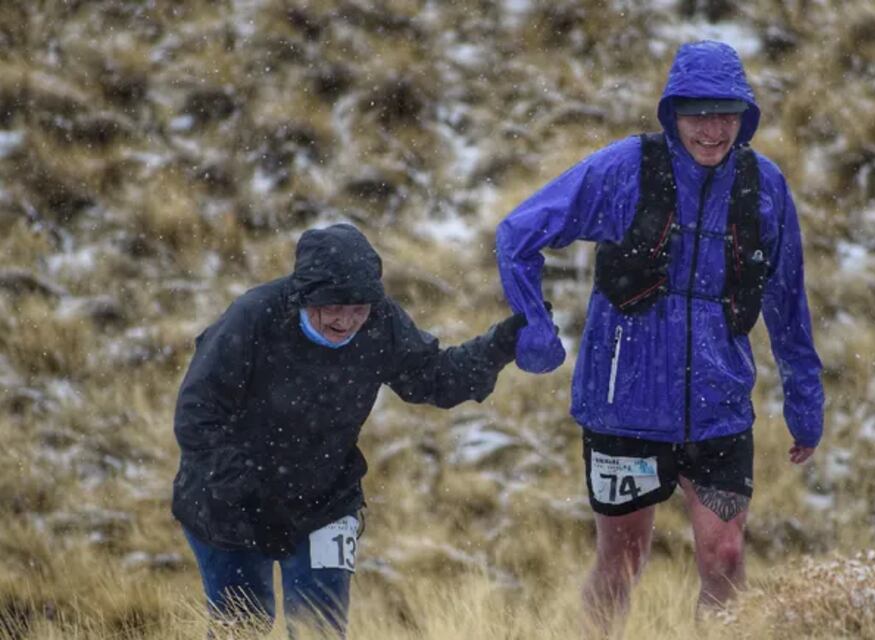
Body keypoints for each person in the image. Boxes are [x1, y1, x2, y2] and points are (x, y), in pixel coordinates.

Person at [495, 40, 824, 632]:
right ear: (672, 113)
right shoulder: (625, 169)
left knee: (724, 559)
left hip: (720, 407)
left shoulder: (763, 186)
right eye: (698, 113)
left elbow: (787, 298)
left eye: (726, 113)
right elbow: (516, 235)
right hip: (625, 410)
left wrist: (805, 399)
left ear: (745, 117)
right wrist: (536, 331)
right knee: (622, 561)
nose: (712, 129)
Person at [172, 223, 527, 636]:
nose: (347, 319)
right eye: (333, 305)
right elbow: (197, 417)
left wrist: (499, 346)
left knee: (319, 630)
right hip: (226, 503)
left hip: (324, 501)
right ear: (305, 296)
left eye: (359, 306)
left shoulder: (380, 322)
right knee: (243, 628)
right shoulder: (252, 319)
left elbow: (433, 377)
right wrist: (251, 498)